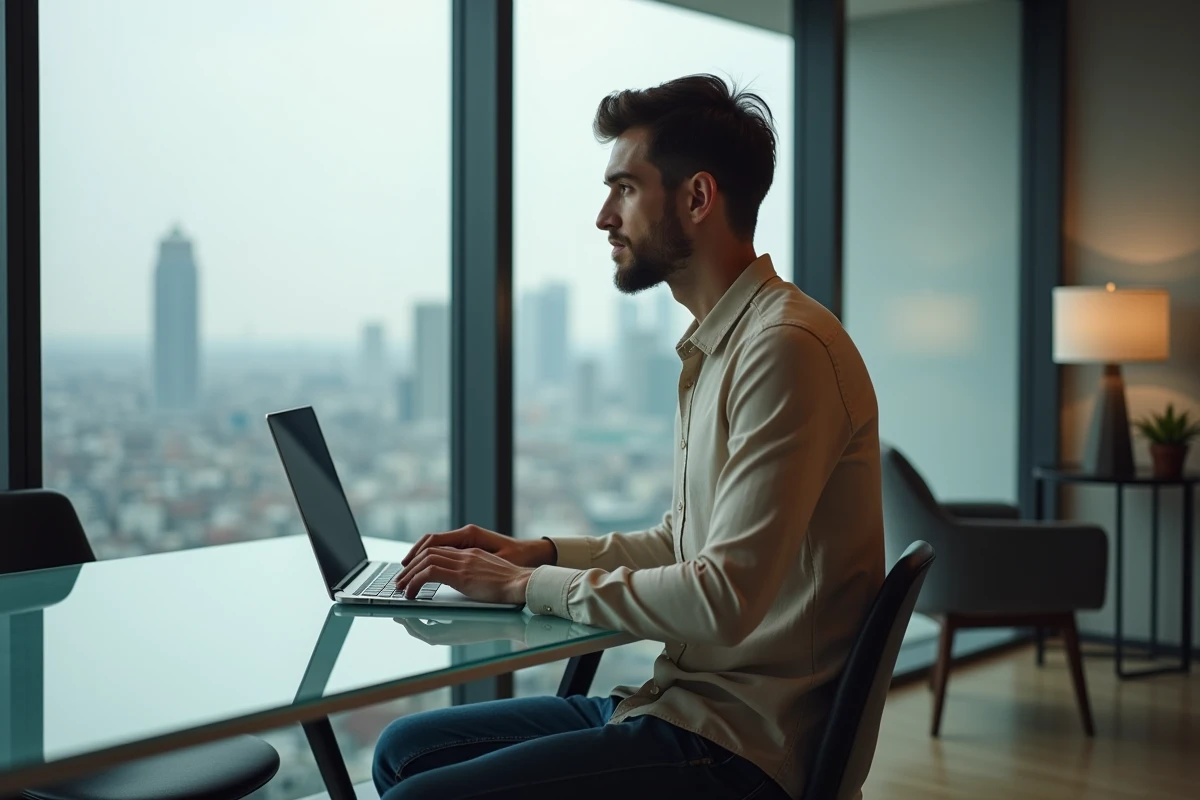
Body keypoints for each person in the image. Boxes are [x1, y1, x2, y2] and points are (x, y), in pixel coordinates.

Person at [374, 73, 884, 800]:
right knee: (405, 751)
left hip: (743, 749)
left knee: (416, 794)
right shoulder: (722, 346)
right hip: (681, 705)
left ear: (697, 198)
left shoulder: (784, 348)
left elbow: (723, 599)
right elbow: (686, 545)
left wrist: (527, 586)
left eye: (624, 189)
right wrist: (539, 554)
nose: (603, 217)